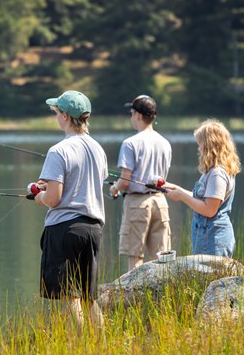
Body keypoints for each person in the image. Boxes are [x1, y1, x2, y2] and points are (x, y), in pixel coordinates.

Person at [33, 90, 107, 333]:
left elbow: (54, 199)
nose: (56, 117)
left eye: (56, 113)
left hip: (66, 230)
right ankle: (102, 350)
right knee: (89, 298)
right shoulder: (98, 149)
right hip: (93, 229)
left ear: (65, 116)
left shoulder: (58, 150)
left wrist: (39, 196)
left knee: (70, 297)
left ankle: (78, 351)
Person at [109, 94, 172, 271]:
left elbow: (125, 181)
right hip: (160, 202)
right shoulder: (165, 143)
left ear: (137, 115)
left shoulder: (130, 143)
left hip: (137, 203)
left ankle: (134, 297)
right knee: (161, 258)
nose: (131, 117)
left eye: (131, 112)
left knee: (135, 256)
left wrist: (114, 189)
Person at [164, 119, 241, 257]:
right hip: (206, 236)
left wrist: (181, 196)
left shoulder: (217, 174)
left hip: (213, 239)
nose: (198, 149)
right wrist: (175, 188)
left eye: (200, 144)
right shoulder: (213, 171)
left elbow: (209, 210)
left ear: (209, 145)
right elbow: (205, 199)